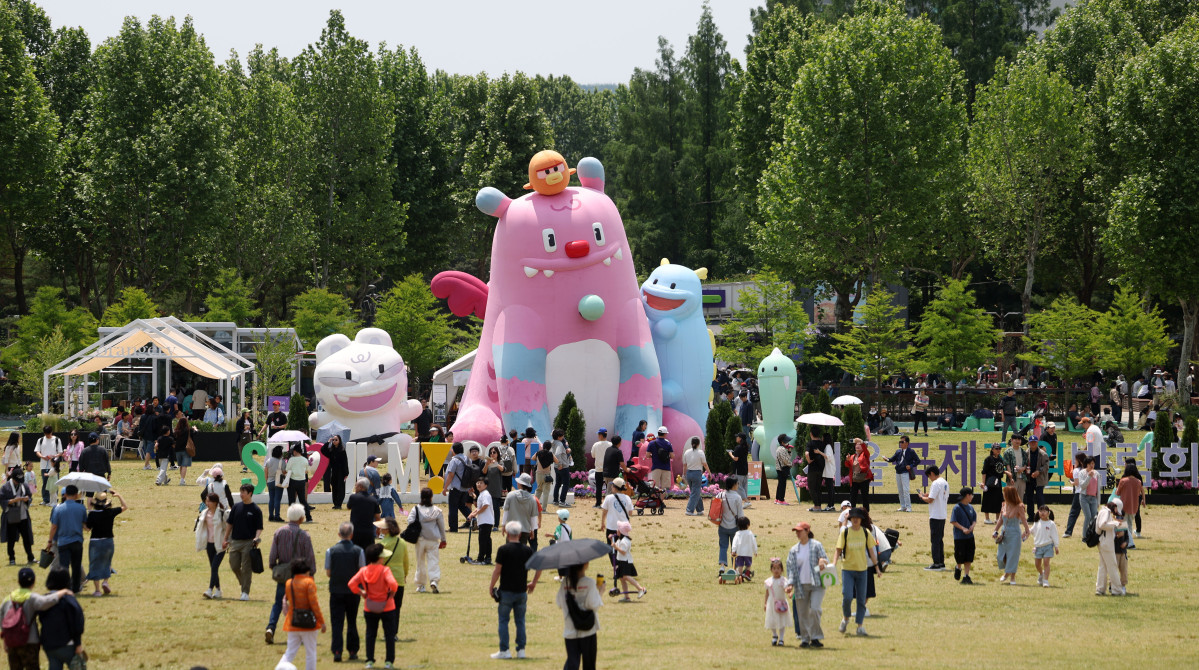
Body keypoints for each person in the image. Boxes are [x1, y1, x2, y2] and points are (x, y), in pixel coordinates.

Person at [489, 521, 542, 660]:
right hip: (521, 591)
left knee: (503, 621)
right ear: (519, 534)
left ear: (507, 533)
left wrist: (491, 586)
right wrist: (534, 582)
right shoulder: (527, 550)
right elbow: (539, 566)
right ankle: (521, 650)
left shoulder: (503, 550)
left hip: (506, 590)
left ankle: (504, 650)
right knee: (520, 621)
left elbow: (497, 570)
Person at [0, 567, 72, 670]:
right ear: (33, 582)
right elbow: (46, 602)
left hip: (12, 642)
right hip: (30, 641)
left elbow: (2, 620)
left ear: (18, 581)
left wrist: (5, 640)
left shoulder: (8, 598)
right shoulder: (31, 597)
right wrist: (63, 592)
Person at [266, 504, 316, 646]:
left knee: (278, 603)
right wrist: (311, 573)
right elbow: (310, 557)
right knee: (300, 604)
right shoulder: (304, 535)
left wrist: (274, 567)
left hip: (283, 574)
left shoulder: (279, 532)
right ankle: (299, 632)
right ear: (301, 518)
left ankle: (271, 627)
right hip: (300, 576)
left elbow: (273, 555)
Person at [347, 543, 398, 669]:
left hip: (370, 606)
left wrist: (362, 593)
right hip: (387, 606)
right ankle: (389, 661)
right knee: (389, 635)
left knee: (370, 634)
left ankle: (369, 660)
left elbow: (351, 584)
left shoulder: (363, 571)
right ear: (380, 558)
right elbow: (393, 584)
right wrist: (392, 593)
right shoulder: (385, 570)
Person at [834, 507, 879, 637]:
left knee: (861, 599)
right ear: (850, 519)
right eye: (853, 518)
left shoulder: (866, 532)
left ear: (861, 520)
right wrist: (834, 563)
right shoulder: (845, 532)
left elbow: (871, 551)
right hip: (847, 569)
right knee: (847, 596)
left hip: (862, 570)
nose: (855, 520)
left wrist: (877, 568)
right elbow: (838, 549)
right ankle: (846, 618)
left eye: (857, 518)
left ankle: (860, 626)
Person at [325, 522, 365, 664]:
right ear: (352, 535)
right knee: (352, 621)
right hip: (353, 592)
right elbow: (362, 571)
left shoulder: (331, 551)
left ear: (339, 534)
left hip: (336, 590)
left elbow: (328, 573)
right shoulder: (359, 551)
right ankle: (353, 650)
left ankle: (337, 651)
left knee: (337, 622)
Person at [785, 522, 828, 649]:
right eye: (796, 531)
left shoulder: (816, 545)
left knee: (815, 609)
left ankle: (815, 637)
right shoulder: (794, 550)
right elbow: (791, 569)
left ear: (807, 531)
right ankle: (805, 639)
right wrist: (790, 584)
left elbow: (825, 560)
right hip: (800, 585)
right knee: (802, 613)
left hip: (817, 584)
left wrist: (822, 561)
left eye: (800, 531)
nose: (797, 533)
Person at [279, 558, 325, 670]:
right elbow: (314, 604)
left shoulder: (289, 583)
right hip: (309, 624)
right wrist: (322, 622)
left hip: (293, 622)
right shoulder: (309, 583)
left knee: (289, 652)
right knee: (311, 653)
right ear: (306, 570)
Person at [555, 561, 602, 670]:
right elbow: (593, 605)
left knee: (572, 664)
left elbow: (559, 603)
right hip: (588, 630)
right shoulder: (589, 583)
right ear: (585, 565)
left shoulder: (565, 583)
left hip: (570, 629)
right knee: (589, 665)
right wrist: (600, 591)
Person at [36, 569, 84, 670]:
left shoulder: (44, 600)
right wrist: (78, 643)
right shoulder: (69, 600)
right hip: (67, 644)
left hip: (49, 644)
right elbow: (77, 623)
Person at [83, 490, 126, 596]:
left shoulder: (92, 514)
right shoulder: (110, 512)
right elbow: (124, 507)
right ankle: (105, 581)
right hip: (108, 541)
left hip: (95, 542)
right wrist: (119, 495)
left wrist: (81, 523)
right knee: (107, 562)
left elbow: (87, 529)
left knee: (94, 564)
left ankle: (97, 590)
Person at [225, 484, 264, 601]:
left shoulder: (256, 510)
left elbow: (259, 527)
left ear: (250, 493)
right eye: (240, 492)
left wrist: (256, 538)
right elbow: (229, 524)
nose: (241, 494)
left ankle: (245, 592)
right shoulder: (236, 507)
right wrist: (225, 538)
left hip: (248, 542)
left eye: (243, 492)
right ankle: (244, 582)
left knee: (246, 568)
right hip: (235, 541)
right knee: (234, 565)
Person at [45, 485, 87, 593]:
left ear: (65, 494)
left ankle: (65, 587)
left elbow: (54, 527)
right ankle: (76, 588)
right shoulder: (81, 508)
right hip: (77, 541)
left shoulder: (58, 509)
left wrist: (50, 541)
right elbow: (85, 525)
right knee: (76, 566)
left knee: (64, 566)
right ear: (76, 495)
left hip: (63, 542)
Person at [407, 487, 446, 594]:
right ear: (431, 497)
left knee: (420, 562)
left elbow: (410, 521)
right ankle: (434, 581)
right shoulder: (437, 510)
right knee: (433, 561)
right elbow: (441, 527)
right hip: (433, 540)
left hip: (420, 539)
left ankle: (421, 585)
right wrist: (443, 539)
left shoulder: (416, 509)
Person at [374, 518, 409, 625]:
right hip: (399, 578)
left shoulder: (382, 544)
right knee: (397, 607)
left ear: (387, 530)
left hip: (385, 580)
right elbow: (406, 562)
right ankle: (394, 631)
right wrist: (405, 575)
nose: (380, 529)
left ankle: (387, 630)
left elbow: (378, 563)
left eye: (382, 528)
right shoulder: (402, 542)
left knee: (385, 608)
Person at [196, 492, 230, 599]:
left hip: (220, 545)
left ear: (215, 502)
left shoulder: (222, 513)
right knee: (213, 568)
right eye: (206, 501)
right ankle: (218, 590)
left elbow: (228, 528)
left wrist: (227, 540)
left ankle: (210, 590)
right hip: (209, 544)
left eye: (209, 501)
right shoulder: (204, 513)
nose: (207, 503)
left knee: (214, 567)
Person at [0, 465, 35, 566]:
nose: (18, 482)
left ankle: (30, 557)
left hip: (23, 514)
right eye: (16, 480)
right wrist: (12, 501)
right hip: (11, 515)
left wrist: (27, 499)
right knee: (11, 538)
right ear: (13, 478)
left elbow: (29, 496)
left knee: (26, 537)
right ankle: (12, 558)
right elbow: (2, 500)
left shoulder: (24, 485)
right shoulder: (5, 487)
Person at [995, 486, 1030, 584]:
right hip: (1004, 533)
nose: (1003, 495)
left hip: (1015, 533)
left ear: (1009, 495)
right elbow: (1000, 520)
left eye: (1004, 493)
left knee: (1013, 555)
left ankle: (1012, 577)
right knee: (1001, 555)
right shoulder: (1004, 505)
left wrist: (1027, 530)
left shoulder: (1019, 506)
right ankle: (1007, 572)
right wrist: (995, 530)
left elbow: (1023, 519)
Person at [443, 443, 474, 533]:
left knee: (453, 508)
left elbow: (451, 475)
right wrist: (470, 486)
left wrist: (445, 488)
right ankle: (474, 519)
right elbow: (470, 474)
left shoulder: (454, 460)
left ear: (453, 450)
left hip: (455, 488)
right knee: (462, 506)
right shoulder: (468, 459)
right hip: (465, 488)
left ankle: (453, 528)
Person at [1096, 498, 1125, 596]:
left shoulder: (1103, 511)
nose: (1116, 512)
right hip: (1106, 543)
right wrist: (1115, 523)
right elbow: (1102, 525)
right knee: (1112, 566)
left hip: (1103, 542)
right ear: (1114, 506)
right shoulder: (1106, 512)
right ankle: (1117, 590)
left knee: (1103, 566)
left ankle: (1100, 589)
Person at [610, 520, 645, 601]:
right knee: (622, 579)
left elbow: (623, 552)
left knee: (626, 576)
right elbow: (614, 545)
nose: (616, 530)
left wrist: (615, 547)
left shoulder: (625, 541)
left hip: (626, 562)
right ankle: (626, 597)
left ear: (621, 531)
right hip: (621, 561)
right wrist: (612, 539)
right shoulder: (620, 540)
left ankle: (640, 589)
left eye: (618, 529)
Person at [502, 474, 539, 546]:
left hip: (511, 528)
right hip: (525, 529)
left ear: (519, 483)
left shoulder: (510, 495)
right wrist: (532, 530)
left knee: (510, 549)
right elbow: (533, 517)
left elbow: (506, 512)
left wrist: (503, 525)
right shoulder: (532, 499)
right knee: (521, 550)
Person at [887, 435, 920, 512]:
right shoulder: (898, 451)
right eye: (900, 442)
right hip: (898, 472)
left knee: (906, 490)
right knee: (900, 490)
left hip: (905, 472)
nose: (900, 443)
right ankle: (903, 506)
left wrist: (911, 466)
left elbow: (918, 460)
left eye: (902, 442)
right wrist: (887, 459)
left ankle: (908, 507)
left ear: (907, 443)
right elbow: (892, 459)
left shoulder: (911, 451)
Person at [950, 487, 976, 584]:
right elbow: (953, 521)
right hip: (959, 537)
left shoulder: (971, 507)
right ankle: (958, 567)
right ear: (967, 496)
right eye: (971, 495)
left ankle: (966, 576)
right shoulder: (956, 508)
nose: (972, 497)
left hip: (970, 537)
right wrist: (963, 528)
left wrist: (972, 526)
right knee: (960, 556)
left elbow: (974, 519)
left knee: (969, 556)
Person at [465, 478, 495, 565]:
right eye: (477, 482)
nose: (478, 484)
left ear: (486, 485)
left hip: (486, 520)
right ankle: (487, 558)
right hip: (484, 521)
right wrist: (471, 514)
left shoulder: (485, 494)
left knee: (483, 540)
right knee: (486, 540)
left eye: (481, 483)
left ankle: (481, 558)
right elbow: (479, 507)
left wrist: (475, 513)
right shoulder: (481, 494)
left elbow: (485, 505)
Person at [716, 477, 744, 569]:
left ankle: (722, 566)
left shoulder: (720, 495)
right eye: (737, 483)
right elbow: (740, 515)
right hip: (734, 527)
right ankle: (735, 568)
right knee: (734, 547)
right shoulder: (737, 497)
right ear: (734, 485)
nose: (738, 485)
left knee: (723, 547)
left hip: (722, 526)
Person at [763, 558, 790, 646]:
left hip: (781, 602)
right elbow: (767, 593)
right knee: (772, 620)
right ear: (771, 570)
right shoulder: (769, 581)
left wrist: (789, 592)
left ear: (781, 570)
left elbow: (786, 588)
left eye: (778, 568)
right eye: (774, 568)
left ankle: (781, 638)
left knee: (782, 620)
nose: (776, 570)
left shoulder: (783, 580)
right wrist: (765, 603)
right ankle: (774, 635)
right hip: (772, 603)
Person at [1031, 505, 1060, 588]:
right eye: (1041, 511)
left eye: (1044, 511)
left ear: (1048, 513)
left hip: (1048, 546)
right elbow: (1031, 531)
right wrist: (1025, 533)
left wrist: (1056, 546)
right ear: (1038, 512)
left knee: (1046, 563)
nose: (1042, 513)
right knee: (1037, 564)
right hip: (1038, 546)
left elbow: (1054, 535)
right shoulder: (1037, 523)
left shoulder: (1051, 523)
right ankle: (1041, 573)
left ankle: (1045, 580)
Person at [599, 477, 633, 547]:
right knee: (622, 547)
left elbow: (604, 512)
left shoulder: (609, 498)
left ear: (614, 487)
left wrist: (602, 523)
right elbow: (630, 513)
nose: (611, 487)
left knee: (611, 547)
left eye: (612, 485)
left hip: (611, 526)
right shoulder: (627, 498)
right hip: (623, 527)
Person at [34, 427, 62, 506]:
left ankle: (54, 500)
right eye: (46, 434)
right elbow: (37, 451)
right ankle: (46, 500)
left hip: (54, 466)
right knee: (45, 483)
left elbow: (60, 452)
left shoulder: (57, 440)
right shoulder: (40, 440)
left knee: (54, 483)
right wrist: (42, 457)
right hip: (44, 465)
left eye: (49, 434)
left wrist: (54, 456)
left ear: (51, 432)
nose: (48, 435)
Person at [682, 436, 710, 516]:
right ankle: (689, 510)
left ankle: (700, 510)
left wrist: (684, 474)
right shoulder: (700, 452)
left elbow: (684, 465)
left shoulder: (687, 452)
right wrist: (709, 472)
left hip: (689, 473)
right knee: (695, 492)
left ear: (691, 443)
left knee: (695, 492)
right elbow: (705, 464)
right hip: (697, 473)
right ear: (698, 444)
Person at [1062, 452, 1088, 538]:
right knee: (1091, 513)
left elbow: (1076, 483)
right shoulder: (1088, 470)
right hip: (1088, 493)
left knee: (1073, 513)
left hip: (1079, 493)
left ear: (1079, 460)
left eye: (1075, 459)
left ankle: (1068, 532)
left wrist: (1071, 482)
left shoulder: (1076, 470)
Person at [321, 435, 350, 509]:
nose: (334, 441)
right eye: (333, 440)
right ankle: (335, 503)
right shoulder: (331, 450)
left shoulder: (342, 450)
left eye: (336, 440)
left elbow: (345, 462)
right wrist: (328, 442)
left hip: (341, 472)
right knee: (334, 487)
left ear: (339, 441)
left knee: (341, 488)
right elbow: (323, 450)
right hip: (334, 471)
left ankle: (339, 504)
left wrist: (346, 473)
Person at [802, 428, 827, 512]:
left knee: (811, 487)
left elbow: (806, 453)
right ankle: (819, 505)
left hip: (812, 468)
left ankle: (816, 505)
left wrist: (809, 461)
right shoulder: (822, 443)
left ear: (811, 434)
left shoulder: (810, 443)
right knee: (818, 487)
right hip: (821, 468)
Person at [846, 439, 872, 512]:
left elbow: (865, 450)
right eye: (856, 445)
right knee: (853, 497)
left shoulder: (865, 454)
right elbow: (848, 465)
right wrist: (847, 460)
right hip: (854, 479)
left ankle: (866, 512)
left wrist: (861, 442)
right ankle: (852, 511)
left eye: (859, 445)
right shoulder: (852, 456)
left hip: (864, 479)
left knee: (865, 497)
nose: (857, 446)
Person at [1001, 434, 1029, 503]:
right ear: (1011, 440)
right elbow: (1007, 465)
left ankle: (1019, 510)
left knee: (1020, 499)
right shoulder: (1008, 452)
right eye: (1015, 439)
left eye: (1019, 439)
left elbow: (1026, 463)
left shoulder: (1023, 451)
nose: (1017, 441)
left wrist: (1022, 468)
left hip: (1022, 478)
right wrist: (1011, 477)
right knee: (1011, 499)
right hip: (1013, 479)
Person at [645, 427, 673, 492]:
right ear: (665, 434)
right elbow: (672, 456)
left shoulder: (652, 443)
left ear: (658, 433)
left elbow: (647, 455)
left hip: (655, 467)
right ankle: (662, 498)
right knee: (664, 488)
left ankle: (655, 498)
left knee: (654, 487)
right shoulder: (668, 443)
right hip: (666, 468)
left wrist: (653, 456)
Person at [731, 516, 757, 584]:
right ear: (748, 525)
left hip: (740, 552)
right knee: (748, 564)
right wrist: (755, 551)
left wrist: (733, 550)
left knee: (740, 565)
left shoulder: (737, 533)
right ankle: (747, 574)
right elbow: (753, 542)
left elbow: (734, 542)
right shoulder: (750, 533)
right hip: (748, 552)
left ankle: (740, 577)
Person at [552, 429, 574, 506]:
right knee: (566, 484)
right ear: (559, 437)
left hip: (556, 466)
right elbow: (557, 454)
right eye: (562, 436)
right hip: (563, 466)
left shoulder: (553, 442)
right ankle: (562, 501)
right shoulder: (560, 444)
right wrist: (560, 464)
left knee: (557, 484)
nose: (563, 437)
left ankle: (555, 500)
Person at [600, 437, 626, 501]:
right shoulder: (618, 451)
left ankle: (610, 504)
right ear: (619, 442)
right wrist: (626, 469)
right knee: (610, 492)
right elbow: (622, 464)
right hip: (612, 474)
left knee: (610, 490)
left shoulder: (608, 449)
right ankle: (606, 505)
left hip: (605, 473)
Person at [533, 441, 557, 513]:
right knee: (546, 493)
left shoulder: (538, 453)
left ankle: (534, 508)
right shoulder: (550, 454)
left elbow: (532, 458)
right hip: (547, 475)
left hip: (538, 474)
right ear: (550, 447)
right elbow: (557, 461)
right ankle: (543, 509)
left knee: (538, 490)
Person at [171, 417, 194, 484]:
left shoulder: (176, 431)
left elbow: (173, 439)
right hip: (186, 449)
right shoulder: (188, 430)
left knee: (181, 465)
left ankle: (182, 479)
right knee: (184, 465)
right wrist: (195, 429)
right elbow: (195, 433)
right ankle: (182, 479)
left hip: (178, 450)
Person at [265, 445, 286, 522]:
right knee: (277, 499)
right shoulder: (282, 462)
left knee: (271, 499)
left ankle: (271, 515)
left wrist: (266, 481)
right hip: (278, 482)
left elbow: (266, 472)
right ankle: (277, 516)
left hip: (270, 481)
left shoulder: (268, 461)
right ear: (280, 454)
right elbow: (284, 471)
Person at [773, 435, 794, 505]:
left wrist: (789, 452)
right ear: (782, 442)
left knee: (780, 484)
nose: (788, 443)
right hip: (782, 469)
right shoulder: (782, 449)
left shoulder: (780, 448)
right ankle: (781, 500)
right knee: (782, 484)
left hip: (780, 468)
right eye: (786, 441)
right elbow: (786, 460)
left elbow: (787, 458)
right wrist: (791, 464)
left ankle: (777, 499)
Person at [730, 432, 751, 504]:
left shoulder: (738, 448)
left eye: (737, 437)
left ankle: (746, 501)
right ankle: (746, 501)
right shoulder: (746, 447)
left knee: (739, 486)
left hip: (739, 469)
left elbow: (735, 458)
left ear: (740, 439)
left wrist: (730, 454)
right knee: (744, 486)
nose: (736, 438)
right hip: (745, 468)